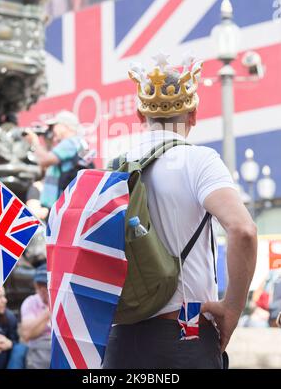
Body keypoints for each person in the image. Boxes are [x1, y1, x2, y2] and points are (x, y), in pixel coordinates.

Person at [103, 55, 257, 369]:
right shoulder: (199, 160)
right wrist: (231, 308)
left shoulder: (111, 171)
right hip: (184, 334)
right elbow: (243, 231)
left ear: (138, 114)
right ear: (194, 115)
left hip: (118, 341)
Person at [25, 110, 88, 210]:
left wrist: (34, 142)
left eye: (55, 126)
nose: (53, 130)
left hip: (61, 205)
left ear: (64, 126)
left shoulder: (71, 142)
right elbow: (44, 164)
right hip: (63, 203)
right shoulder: (78, 142)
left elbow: (45, 160)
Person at [19, 263, 51, 369]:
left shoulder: (63, 301)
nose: (42, 289)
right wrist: (48, 311)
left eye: (45, 284)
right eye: (39, 284)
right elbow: (27, 334)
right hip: (38, 352)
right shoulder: (30, 302)